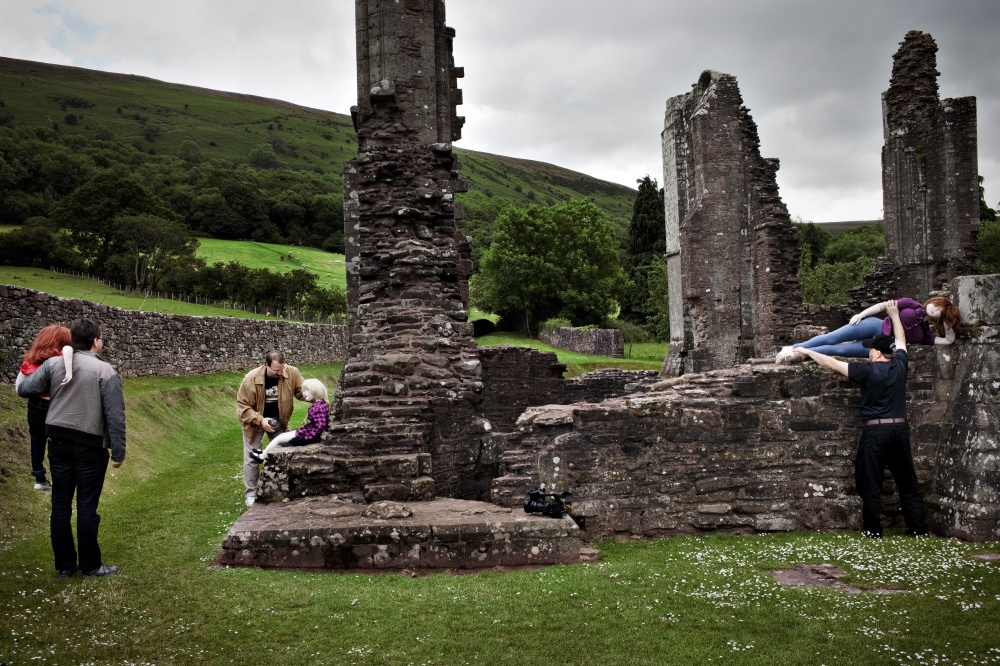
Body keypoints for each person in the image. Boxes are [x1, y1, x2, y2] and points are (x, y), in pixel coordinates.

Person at [794, 301, 929, 538]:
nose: (867, 352)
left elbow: (833, 364)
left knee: (870, 481)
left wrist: (807, 351)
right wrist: (895, 315)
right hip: (900, 429)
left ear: (876, 352)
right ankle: (918, 529)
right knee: (907, 481)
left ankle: (873, 530)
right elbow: (901, 340)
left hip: (875, 432)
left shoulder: (867, 371)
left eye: (869, 350)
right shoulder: (900, 365)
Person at [16, 318, 126, 578]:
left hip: (58, 442)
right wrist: (118, 451)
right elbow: (115, 416)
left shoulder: (53, 365)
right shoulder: (106, 371)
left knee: (61, 505)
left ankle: (65, 565)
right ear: (96, 341)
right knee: (87, 506)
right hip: (89, 445)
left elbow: (25, 389)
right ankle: (90, 565)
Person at [776, 296, 960, 362]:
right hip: (873, 325)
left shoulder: (925, 335)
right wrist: (861, 315)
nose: (935, 308)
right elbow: (882, 306)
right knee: (832, 337)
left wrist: (948, 323)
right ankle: (793, 347)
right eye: (937, 304)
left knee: (839, 350)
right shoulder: (912, 304)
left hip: (880, 345)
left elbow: (949, 341)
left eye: (940, 311)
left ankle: (800, 353)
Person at [236, 350, 305, 506]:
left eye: (282, 369)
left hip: (279, 420)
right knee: (252, 456)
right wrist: (260, 420)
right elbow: (242, 407)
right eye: (276, 371)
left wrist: (316, 397)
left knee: (286, 450)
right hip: (255, 422)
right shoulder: (251, 379)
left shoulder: (292, 373)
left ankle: (286, 487)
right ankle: (251, 494)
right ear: (266, 365)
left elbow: (302, 392)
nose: (280, 373)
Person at [14, 324, 74, 491]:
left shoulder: (31, 361)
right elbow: (69, 349)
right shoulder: (62, 360)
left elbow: (18, 387)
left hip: (35, 405)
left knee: (37, 439)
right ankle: (60, 478)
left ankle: (39, 477)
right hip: (56, 405)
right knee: (58, 442)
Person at [249, 378, 329, 464]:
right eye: (304, 390)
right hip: (308, 431)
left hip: (307, 433)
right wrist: (308, 424)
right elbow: (319, 423)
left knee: (280, 438)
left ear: (315, 391)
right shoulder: (322, 404)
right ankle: (264, 451)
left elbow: (320, 426)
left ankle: (262, 456)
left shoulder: (318, 407)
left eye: (307, 390)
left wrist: (307, 438)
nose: (304, 393)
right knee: (281, 437)